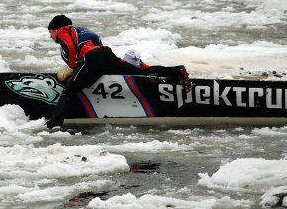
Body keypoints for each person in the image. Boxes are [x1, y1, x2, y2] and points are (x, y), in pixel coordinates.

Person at [46, 15, 191, 129]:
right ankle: (178, 71)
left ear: (57, 29)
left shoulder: (64, 30)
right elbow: (98, 45)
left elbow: (71, 48)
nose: (51, 36)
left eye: (51, 32)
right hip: (107, 56)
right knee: (141, 72)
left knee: (69, 91)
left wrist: (71, 68)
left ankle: (54, 126)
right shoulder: (86, 31)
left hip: (92, 59)